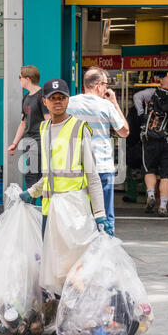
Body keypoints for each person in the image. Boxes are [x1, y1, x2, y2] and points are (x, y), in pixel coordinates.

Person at [20, 78, 113, 335]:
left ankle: (74, 327)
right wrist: (32, 193)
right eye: (53, 97)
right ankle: (66, 326)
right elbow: (49, 174)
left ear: (67, 100)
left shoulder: (79, 128)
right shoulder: (45, 127)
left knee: (76, 273)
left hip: (74, 211)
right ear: (45, 102)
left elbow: (92, 176)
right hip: (52, 212)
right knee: (58, 274)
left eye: (62, 96)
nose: (58, 101)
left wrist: (99, 214)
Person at [66, 66, 129, 233]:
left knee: (78, 214)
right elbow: (124, 132)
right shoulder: (105, 106)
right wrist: (114, 102)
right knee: (105, 216)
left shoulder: (69, 103)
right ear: (99, 85)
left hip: (75, 167)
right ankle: (105, 252)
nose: (107, 89)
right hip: (101, 167)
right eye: (106, 85)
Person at [133, 76, 168, 217]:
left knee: (149, 170)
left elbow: (136, 96)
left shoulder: (152, 93)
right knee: (166, 175)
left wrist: (141, 115)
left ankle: (151, 195)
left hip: (150, 139)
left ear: (160, 84)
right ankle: (163, 207)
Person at [8, 65, 50, 197]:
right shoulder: (26, 97)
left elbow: (48, 121)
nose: (19, 80)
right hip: (28, 143)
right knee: (32, 179)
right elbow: (23, 123)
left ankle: (42, 214)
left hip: (39, 143)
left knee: (37, 179)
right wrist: (14, 144)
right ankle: (32, 214)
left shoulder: (42, 96)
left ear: (27, 78)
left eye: (20, 77)